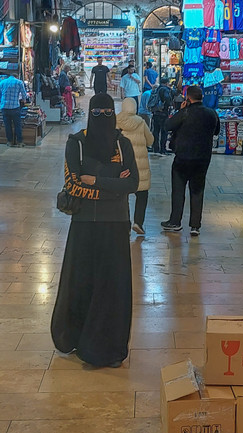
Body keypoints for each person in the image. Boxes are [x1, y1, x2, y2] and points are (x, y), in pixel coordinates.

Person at [51, 93, 137, 367]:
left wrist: (96, 181)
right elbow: (73, 185)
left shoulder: (123, 144)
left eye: (106, 112)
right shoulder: (76, 143)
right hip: (85, 225)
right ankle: (77, 339)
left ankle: (108, 348)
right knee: (82, 283)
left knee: (112, 288)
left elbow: (133, 183)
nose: (102, 117)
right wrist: (113, 185)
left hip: (115, 225)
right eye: (96, 112)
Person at [161, 85, 220, 236]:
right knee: (197, 191)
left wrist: (180, 110)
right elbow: (216, 131)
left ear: (188, 98)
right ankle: (195, 226)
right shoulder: (212, 113)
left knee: (178, 190)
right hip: (202, 159)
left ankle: (175, 222)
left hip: (183, 158)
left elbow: (168, 125)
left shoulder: (185, 113)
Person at [116, 97, 155, 235]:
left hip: (122, 164)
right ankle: (138, 222)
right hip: (140, 166)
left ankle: (125, 224)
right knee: (142, 194)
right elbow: (150, 141)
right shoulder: (140, 122)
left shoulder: (116, 121)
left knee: (123, 195)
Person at [0, 71, 29, 148]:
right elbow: (24, 94)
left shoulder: (2, 82)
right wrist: (24, 100)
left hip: (4, 106)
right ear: (17, 76)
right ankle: (19, 142)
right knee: (17, 125)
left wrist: (3, 101)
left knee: (7, 125)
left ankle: (10, 141)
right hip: (15, 106)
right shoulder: (19, 82)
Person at [149, 80, 175, 154]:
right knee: (164, 132)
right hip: (163, 114)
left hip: (156, 113)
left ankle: (155, 148)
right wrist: (169, 103)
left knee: (156, 132)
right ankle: (162, 149)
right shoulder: (165, 89)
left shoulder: (156, 89)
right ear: (166, 83)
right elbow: (167, 98)